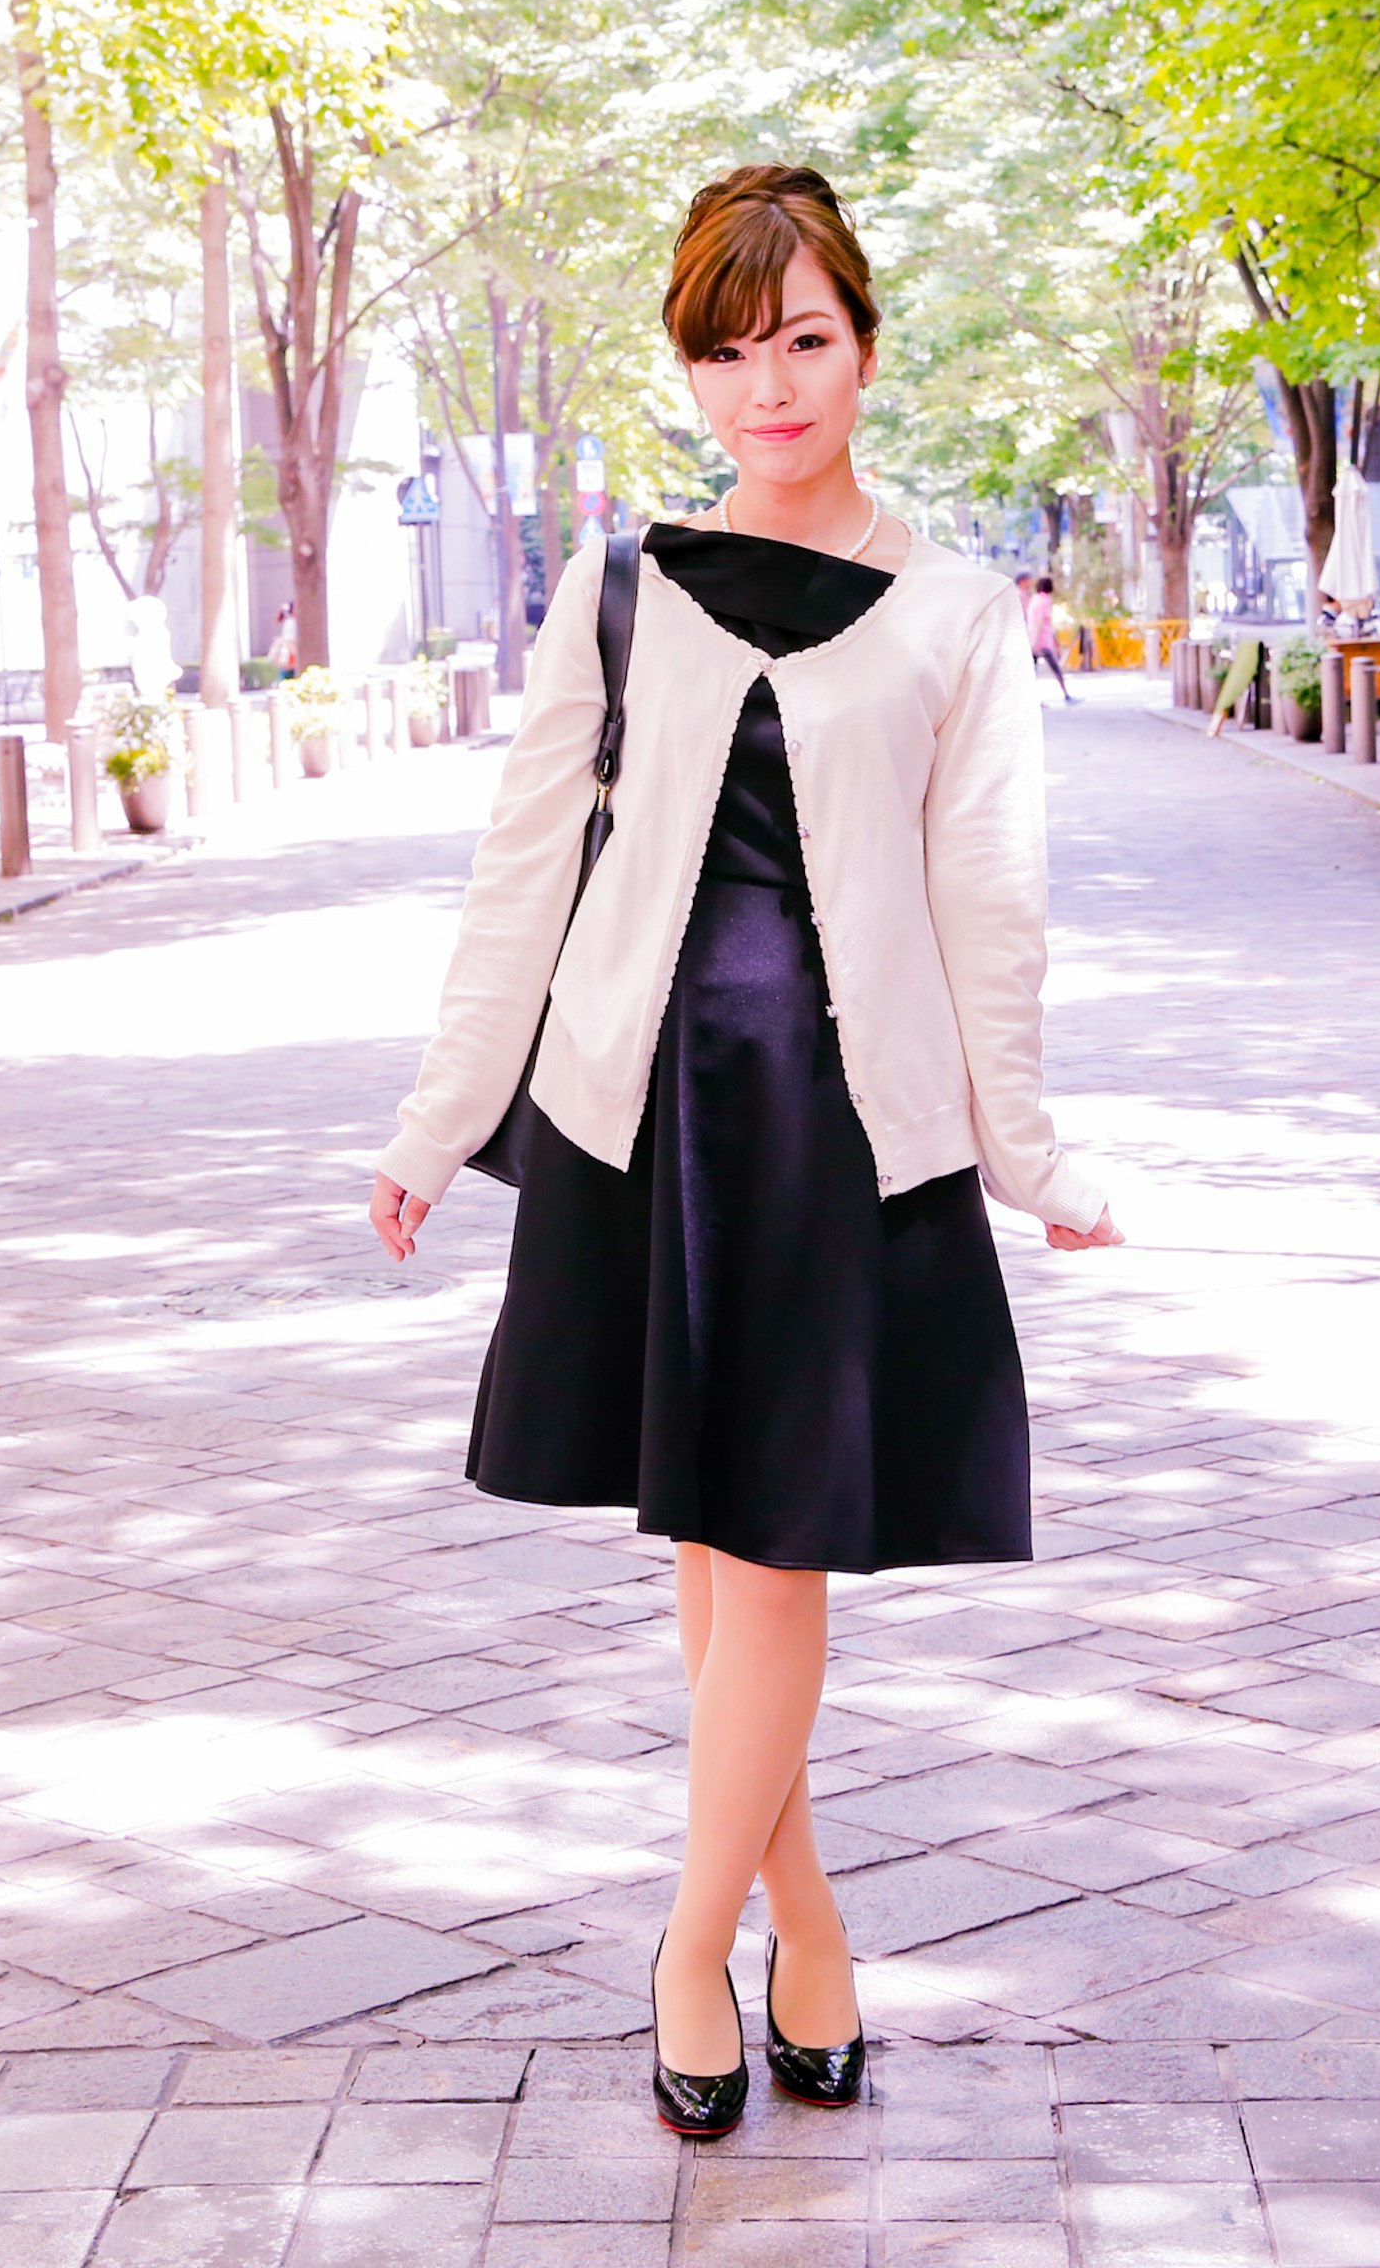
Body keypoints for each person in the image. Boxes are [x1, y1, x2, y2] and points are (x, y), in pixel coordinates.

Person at [368, 165, 1119, 2141]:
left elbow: (994, 901)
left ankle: (691, 1945)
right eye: (728, 345)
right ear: (690, 366)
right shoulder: (617, 587)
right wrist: (441, 1122)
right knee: (717, 1548)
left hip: (831, 1126)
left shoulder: (960, 612)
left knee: (774, 1540)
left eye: (802, 338)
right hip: (637, 1111)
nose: (768, 384)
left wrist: (1029, 1153)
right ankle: (807, 1915)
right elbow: (526, 868)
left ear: (866, 341)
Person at [1023, 573, 1074, 702]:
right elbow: (1040, 621)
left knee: (1031, 673)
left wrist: (1032, 640)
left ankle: (1032, 701)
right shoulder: (1045, 600)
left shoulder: (1034, 599)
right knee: (1056, 668)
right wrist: (1036, 640)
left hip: (1032, 639)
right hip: (1042, 641)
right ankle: (1066, 695)